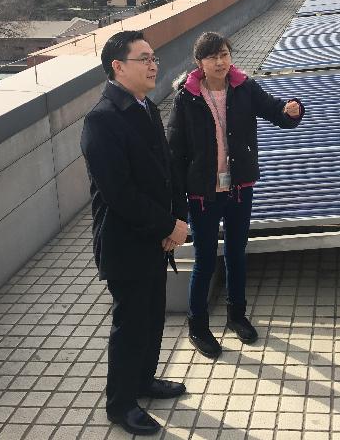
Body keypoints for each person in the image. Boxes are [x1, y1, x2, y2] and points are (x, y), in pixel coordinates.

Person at [167, 31, 304, 359]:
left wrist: (290, 112)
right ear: (199, 62)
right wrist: (176, 206)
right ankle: (197, 326)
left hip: (239, 188)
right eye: (213, 56)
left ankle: (236, 315)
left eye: (225, 54)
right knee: (204, 260)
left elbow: (274, 111)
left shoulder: (244, 87)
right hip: (203, 194)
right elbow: (174, 151)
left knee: (237, 254)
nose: (220, 61)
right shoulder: (187, 97)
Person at [80, 30, 189, 436]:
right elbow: (119, 193)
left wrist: (177, 222)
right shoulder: (102, 119)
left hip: (157, 237)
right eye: (144, 58)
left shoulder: (144, 106)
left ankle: (144, 380)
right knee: (130, 325)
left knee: (152, 319)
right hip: (125, 243)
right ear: (118, 66)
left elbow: (167, 170)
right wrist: (168, 225)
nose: (153, 64)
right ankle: (120, 404)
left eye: (154, 57)